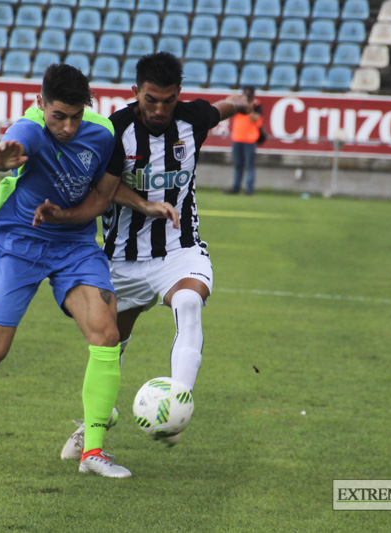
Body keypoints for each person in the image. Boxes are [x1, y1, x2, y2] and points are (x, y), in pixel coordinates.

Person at [0, 63, 176, 479]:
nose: (66, 127)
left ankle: (93, 451)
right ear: (39, 104)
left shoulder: (101, 134)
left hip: (74, 244)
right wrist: (0, 159)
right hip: (19, 243)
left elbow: (105, 187)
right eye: (57, 116)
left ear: (87, 108)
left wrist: (145, 204)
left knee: (106, 331)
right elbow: (3, 153)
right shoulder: (28, 130)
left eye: (75, 116)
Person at [55, 52, 253, 459]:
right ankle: (97, 419)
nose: (159, 110)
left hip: (178, 250)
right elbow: (104, 192)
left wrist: (240, 102)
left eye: (168, 100)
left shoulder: (192, 119)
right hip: (121, 259)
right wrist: (145, 204)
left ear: (178, 95)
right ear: (135, 93)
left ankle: (177, 406)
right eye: (150, 100)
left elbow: (221, 109)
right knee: (111, 346)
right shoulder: (114, 129)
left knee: (188, 301)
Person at [228, 86, 265, 195]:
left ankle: (249, 189)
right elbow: (231, 113)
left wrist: (248, 108)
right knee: (238, 165)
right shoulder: (238, 104)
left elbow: (256, 118)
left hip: (250, 139)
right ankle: (236, 187)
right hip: (237, 138)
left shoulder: (257, 104)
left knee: (249, 165)